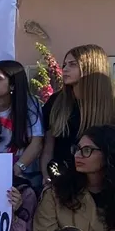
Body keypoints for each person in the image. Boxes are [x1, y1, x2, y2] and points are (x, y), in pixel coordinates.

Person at [33, 125, 115, 231]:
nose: (78, 155)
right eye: (77, 149)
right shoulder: (55, 193)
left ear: (107, 154)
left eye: (87, 150)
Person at [43, 44, 115, 180]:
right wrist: (47, 179)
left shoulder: (111, 106)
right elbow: (47, 148)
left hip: (101, 183)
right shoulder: (56, 102)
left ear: (90, 67)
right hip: (61, 179)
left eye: (72, 64)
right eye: (64, 65)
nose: (64, 69)